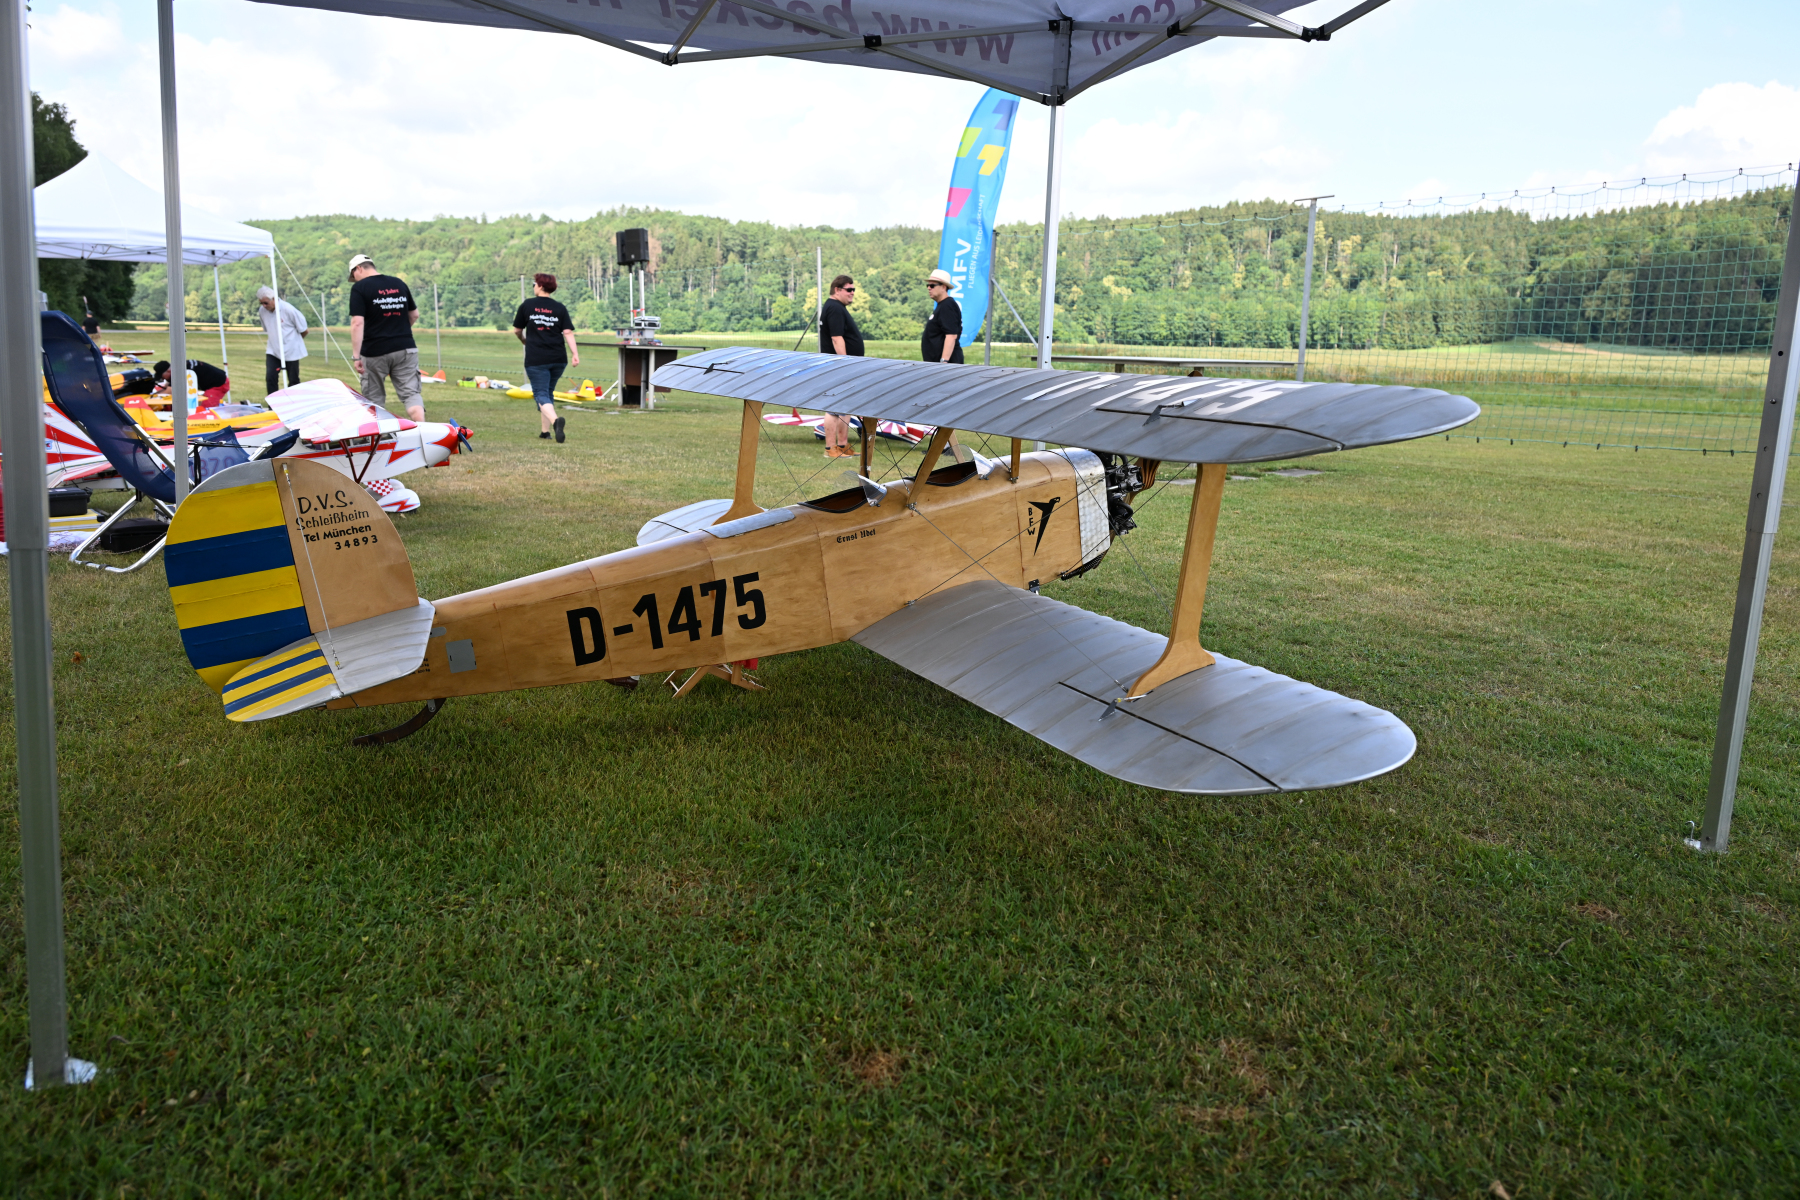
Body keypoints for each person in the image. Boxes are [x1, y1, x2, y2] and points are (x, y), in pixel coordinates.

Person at [346, 253, 424, 421]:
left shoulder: (360, 288)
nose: (355, 280)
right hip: (405, 347)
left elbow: (357, 323)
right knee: (411, 394)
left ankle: (380, 434)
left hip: (374, 351)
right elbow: (414, 315)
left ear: (358, 268)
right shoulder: (398, 283)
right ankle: (422, 429)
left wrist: (356, 356)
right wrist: (398, 331)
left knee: (374, 399)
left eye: (353, 276)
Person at [511, 273, 580, 443]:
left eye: (534, 284)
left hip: (537, 358)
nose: (533, 286)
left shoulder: (527, 305)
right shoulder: (559, 308)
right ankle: (545, 432)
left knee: (540, 393)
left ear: (540, 286)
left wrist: (523, 340)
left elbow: (517, 330)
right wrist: (575, 354)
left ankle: (556, 422)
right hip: (558, 358)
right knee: (547, 393)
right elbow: (568, 332)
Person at [817, 274, 863, 459]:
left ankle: (843, 445)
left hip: (844, 366)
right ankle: (830, 448)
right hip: (838, 366)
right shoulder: (835, 308)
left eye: (853, 290)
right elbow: (836, 338)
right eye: (849, 289)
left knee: (845, 405)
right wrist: (845, 362)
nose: (852, 293)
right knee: (833, 406)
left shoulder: (836, 307)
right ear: (837, 290)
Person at [256, 286, 309, 394]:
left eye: (266, 303)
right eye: (261, 303)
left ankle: (294, 401)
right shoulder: (262, 311)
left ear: (274, 299)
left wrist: (293, 342)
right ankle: (273, 402)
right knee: (270, 377)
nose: (264, 306)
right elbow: (267, 329)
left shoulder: (288, 309)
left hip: (292, 350)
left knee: (293, 380)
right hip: (273, 350)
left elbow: (304, 330)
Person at [921, 268, 964, 364]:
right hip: (936, 364)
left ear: (944, 287)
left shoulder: (947, 305)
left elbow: (951, 335)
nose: (929, 288)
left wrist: (944, 361)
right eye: (928, 285)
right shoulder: (942, 305)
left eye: (932, 285)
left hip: (946, 366)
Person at [153, 358, 230, 407]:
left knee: (206, 407)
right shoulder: (179, 367)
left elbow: (170, 390)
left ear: (169, 371)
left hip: (219, 384)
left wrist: (152, 397)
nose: (163, 378)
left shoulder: (179, 373)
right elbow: (167, 387)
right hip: (215, 380)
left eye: (162, 376)